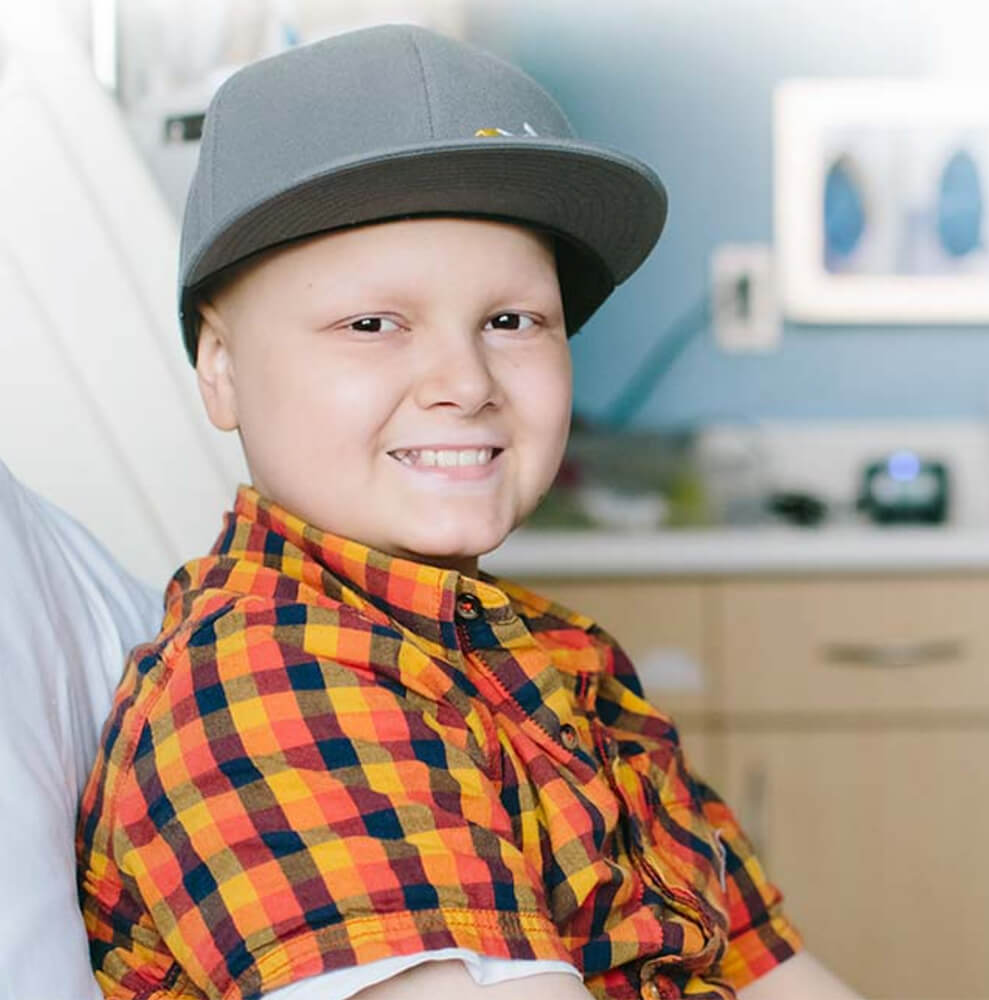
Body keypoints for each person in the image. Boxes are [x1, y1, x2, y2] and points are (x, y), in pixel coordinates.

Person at [76, 24, 860, 1000]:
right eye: (372, 323)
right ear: (221, 369)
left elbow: (772, 974)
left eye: (511, 321)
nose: (464, 380)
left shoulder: (570, 664)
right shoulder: (265, 677)